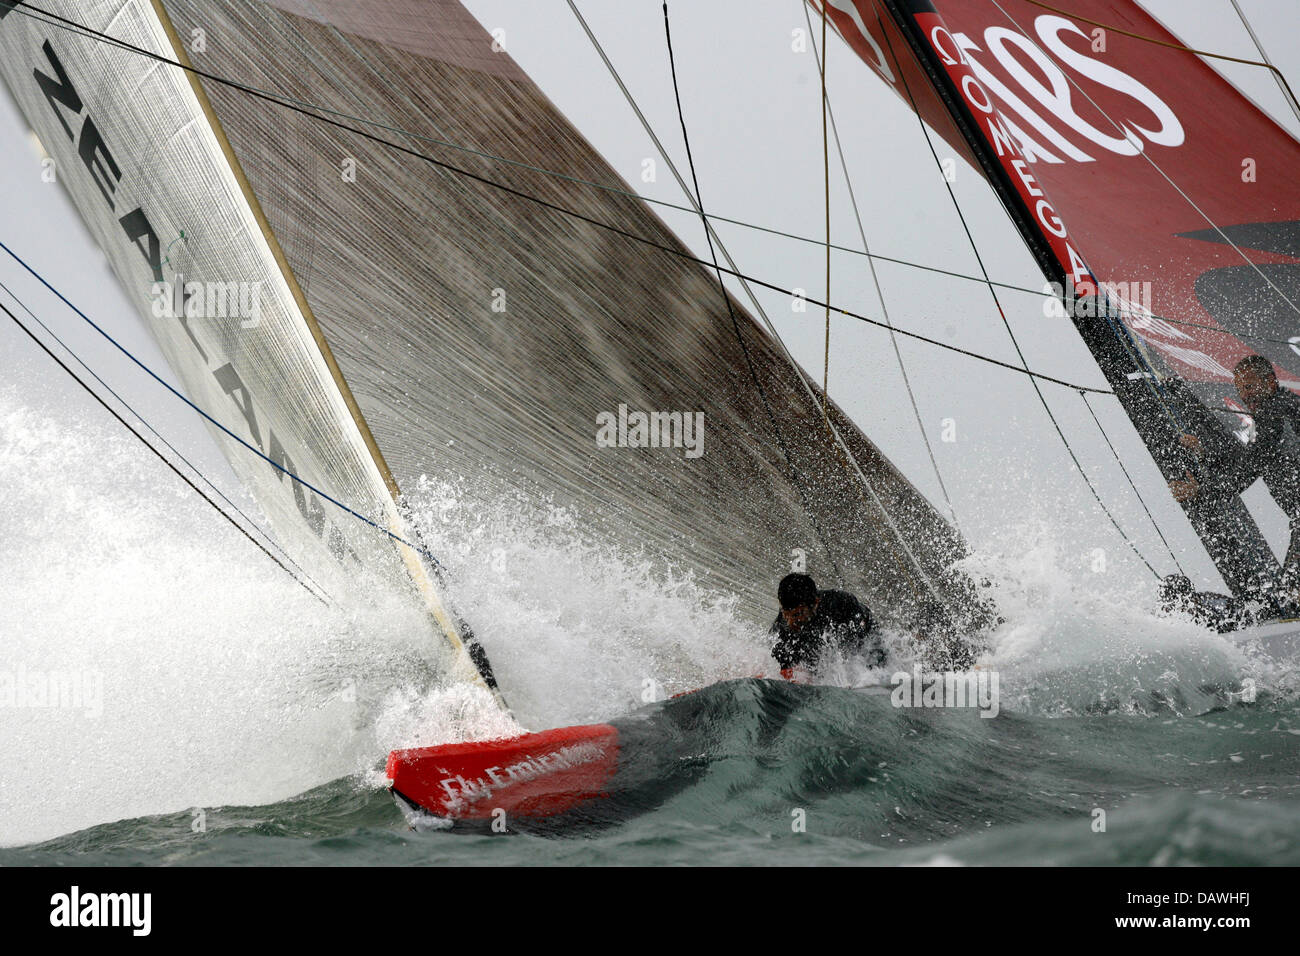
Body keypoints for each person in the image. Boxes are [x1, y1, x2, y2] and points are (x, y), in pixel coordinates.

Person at [1169, 355, 1300, 602]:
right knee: (1291, 591)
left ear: (1271, 383)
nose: (1245, 395)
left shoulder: (1277, 412)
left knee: (1293, 591)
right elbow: (1246, 460)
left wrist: (1200, 492)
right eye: (1240, 390)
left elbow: (1244, 473)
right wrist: (1203, 453)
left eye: (1250, 386)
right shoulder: (1278, 413)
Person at [770, 573, 883, 679]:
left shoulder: (841, 603)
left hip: (860, 632)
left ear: (815, 603)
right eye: (786, 614)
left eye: (798, 614)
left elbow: (867, 637)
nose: (791, 622)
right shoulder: (781, 628)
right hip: (813, 639)